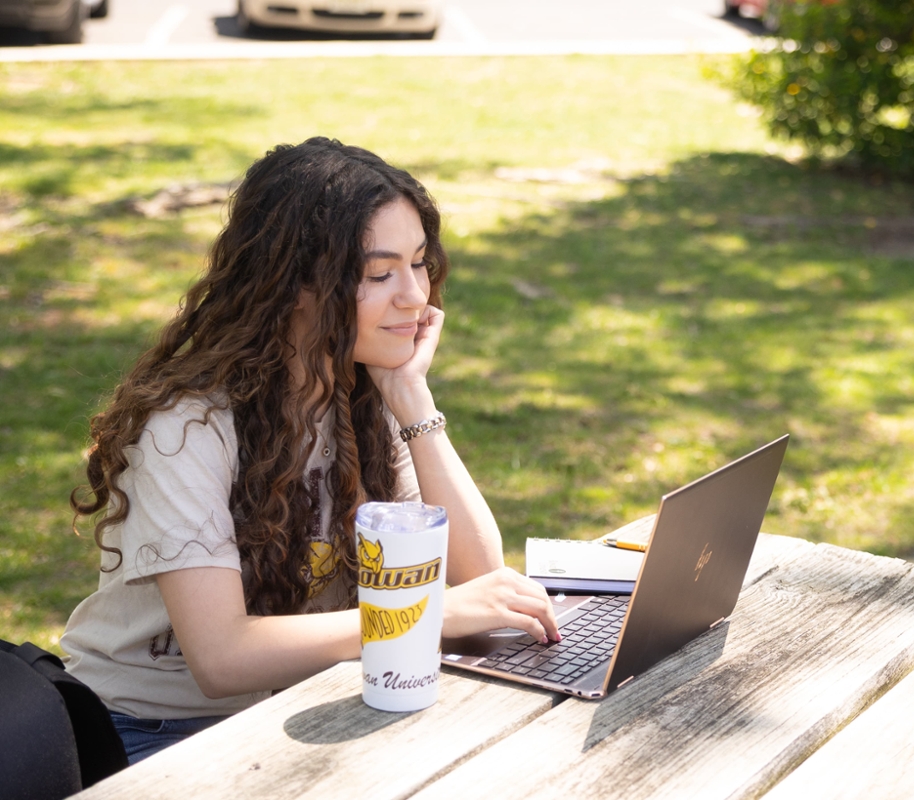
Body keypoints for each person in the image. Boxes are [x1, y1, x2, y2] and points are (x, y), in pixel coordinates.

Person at [60, 137, 561, 765]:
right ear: (296, 284)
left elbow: (480, 577)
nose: (415, 297)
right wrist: (422, 616)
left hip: (300, 703)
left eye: (419, 263)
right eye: (379, 274)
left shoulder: (362, 394)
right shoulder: (186, 426)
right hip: (151, 730)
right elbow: (222, 657)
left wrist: (412, 398)